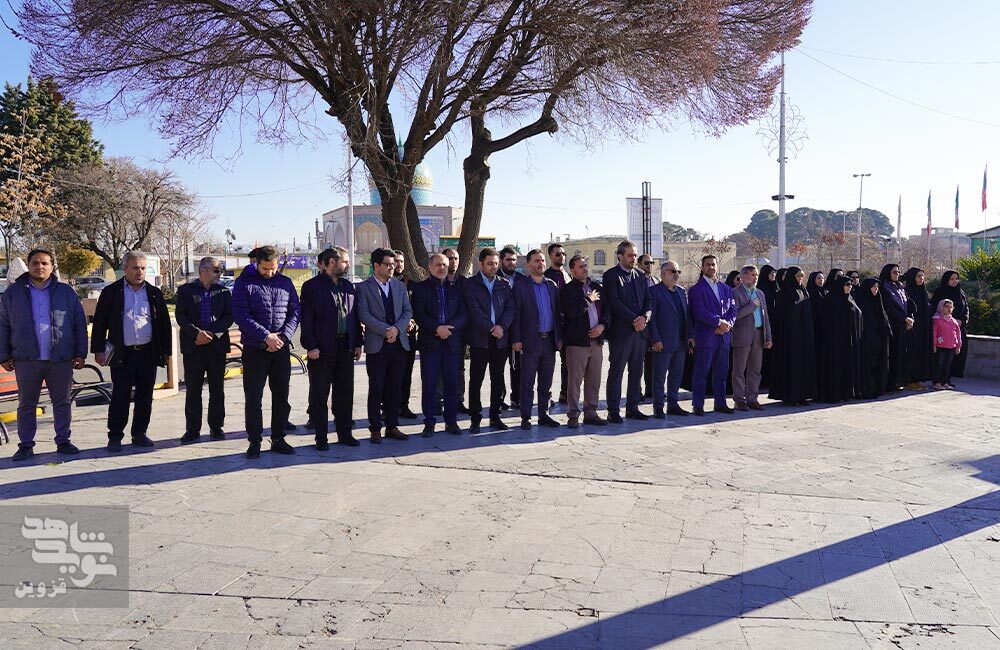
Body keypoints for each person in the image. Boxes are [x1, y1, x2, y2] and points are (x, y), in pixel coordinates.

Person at [0, 249, 87, 461]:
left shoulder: (66, 292)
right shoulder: (13, 293)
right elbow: (3, 325)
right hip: (26, 359)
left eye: (45, 263)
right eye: (36, 263)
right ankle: (25, 445)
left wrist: (80, 353)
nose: (40, 267)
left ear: (52, 267)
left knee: (62, 403)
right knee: (26, 405)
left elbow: (79, 323)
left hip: (60, 359)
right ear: (29, 265)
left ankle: (63, 441)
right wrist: (4, 355)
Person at [92, 251, 172, 452]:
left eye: (143, 268)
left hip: (147, 353)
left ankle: (139, 433)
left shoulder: (153, 293)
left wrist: (166, 352)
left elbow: (164, 324)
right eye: (135, 267)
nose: (139, 272)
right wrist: (98, 350)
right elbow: (100, 323)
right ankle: (115, 436)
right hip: (122, 355)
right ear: (125, 269)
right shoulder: (111, 292)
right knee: (120, 396)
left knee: (145, 396)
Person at [232, 245, 300, 458]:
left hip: (280, 348)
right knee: (254, 397)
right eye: (265, 269)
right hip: (255, 349)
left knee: (281, 396)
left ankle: (278, 438)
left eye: (273, 268)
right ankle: (254, 441)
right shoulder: (244, 283)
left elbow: (295, 312)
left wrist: (283, 336)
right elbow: (241, 315)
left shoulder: (285, 283)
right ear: (257, 263)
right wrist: (265, 336)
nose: (270, 273)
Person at [300, 247, 362, 449]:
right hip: (321, 350)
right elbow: (306, 319)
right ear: (332, 263)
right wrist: (311, 345)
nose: (348, 265)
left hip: (345, 347)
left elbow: (354, 316)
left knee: (345, 393)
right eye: (345, 261)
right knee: (320, 395)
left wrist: (358, 342)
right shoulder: (312, 287)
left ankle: (345, 434)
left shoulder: (347, 286)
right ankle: (321, 438)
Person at [175, 256, 233, 444]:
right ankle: (192, 429)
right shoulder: (186, 291)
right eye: (216, 270)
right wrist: (196, 333)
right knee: (193, 390)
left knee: (217, 389)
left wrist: (212, 333)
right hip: (194, 346)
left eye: (220, 270)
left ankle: (216, 427)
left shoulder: (223, 291)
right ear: (203, 271)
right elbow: (181, 316)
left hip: (216, 346)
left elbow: (229, 316)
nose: (219, 273)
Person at [357, 247, 412, 443]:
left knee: (395, 388)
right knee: (377, 388)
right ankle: (375, 428)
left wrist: (396, 329)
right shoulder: (364, 288)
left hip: (398, 344)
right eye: (387, 264)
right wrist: (385, 330)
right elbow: (364, 314)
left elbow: (407, 312)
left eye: (393, 264)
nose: (392, 267)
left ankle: (392, 426)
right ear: (376, 265)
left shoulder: (399, 287)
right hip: (377, 345)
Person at [412, 253, 468, 437]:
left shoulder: (457, 288)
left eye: (445, 264)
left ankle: (451, 422)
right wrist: (437, 328)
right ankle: (429, 422)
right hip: (430, 344)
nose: (442, 267)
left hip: (452, 343)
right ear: (430, 267)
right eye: (438, 265)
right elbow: (419, 314)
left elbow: (464, 313)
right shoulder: (420, 289)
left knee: (452, 384)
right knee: (429, 384)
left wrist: (450, 328)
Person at [464, 247, 515, 433]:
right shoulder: (471, 285)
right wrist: (491, 328)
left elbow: (510, 309)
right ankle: (475, 418)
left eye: (496, 263)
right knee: (476, 380)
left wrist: (502, 326)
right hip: (480, 340)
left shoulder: (504, 284)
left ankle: (495, 416)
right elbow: (474, 310)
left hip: (500, 340)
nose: (494, 267)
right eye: (490, 264)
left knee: (498, 379)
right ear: (481, 264)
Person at [512, 249, 562, 430]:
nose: (540, 263)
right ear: (528, 265)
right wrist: (516, 339)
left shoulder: (552, 286)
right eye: (536, 261)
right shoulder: (520, 286)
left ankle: (544, 415)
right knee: (527, 382)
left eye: (542, 260)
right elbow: (516, 315)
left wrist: (559, 337)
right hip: (529, 341)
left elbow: (557, 313)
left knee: (546, 381)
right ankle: (526, 417)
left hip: (549, 341)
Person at [559, 255, 609, 428]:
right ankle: (573, 414)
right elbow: (571, 312)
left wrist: (602, 326)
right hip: (577, 342)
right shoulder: (567, 290)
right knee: (574, 381)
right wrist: (588, 300)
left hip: (597, 342)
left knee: (594, 380)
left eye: (586, 265)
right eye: (581, 266)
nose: (585, 269)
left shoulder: (597, 287)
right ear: (572, 270)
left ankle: (591, 413)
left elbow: (607, 311)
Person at [687, 255, 738, 415]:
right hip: (706, 336)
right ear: (702, 267)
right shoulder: (696, 289)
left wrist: (727, 324)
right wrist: (718, 322)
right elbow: (699, 311)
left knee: (722, 372)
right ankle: (698, 405)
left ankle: (720, 403)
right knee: (701, 372)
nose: (711, 267)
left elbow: (733, 310)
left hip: (723, 336)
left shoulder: (726, 289)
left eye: (713, 264)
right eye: (708, 265)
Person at [648, 260, 692, 418]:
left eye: (678, 272)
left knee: (676, 375)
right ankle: (658, 407)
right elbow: (651, 319)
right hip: (663, 342)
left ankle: (673, 405)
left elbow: (687, 315)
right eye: (673, 271)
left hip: (680, 341)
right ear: (663, 273)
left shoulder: (681, 291)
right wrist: (655, 339)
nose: (676, 275)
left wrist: (690, 336)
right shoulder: (654, 292)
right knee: (659, 376)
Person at [767, 266, 818, 405]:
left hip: (804, 335)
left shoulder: (803, 291)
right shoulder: (784, 294)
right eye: (798, 276)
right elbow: (781, 317)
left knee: (803, 364)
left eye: (802, 276)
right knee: (791, 365)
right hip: (789, 337)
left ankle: (802, 395)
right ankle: (790, 396)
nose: (800, 278)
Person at [730, 265, 772, 411]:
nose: (755, 278)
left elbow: (765, 317)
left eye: (757, 275)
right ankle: (739, 400)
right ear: (743, 277)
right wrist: (751, 306)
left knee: (755, 369)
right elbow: (734, 315)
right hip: (742, 335)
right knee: (739, 369)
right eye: (752, 274)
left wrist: (768, 337)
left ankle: (752, 398)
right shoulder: (735, 293)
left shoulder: (760, 293)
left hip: (759, 334)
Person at [816, 276, 863, 403]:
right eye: (847, 284)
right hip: (835, 342)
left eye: (851, 284)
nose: (850, 287)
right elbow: (825, 321)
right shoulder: (831, 300)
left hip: (849, 341)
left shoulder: (850, 299)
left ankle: (848, 392)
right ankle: (835, 393)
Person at [441, 247, 468, 413]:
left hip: (458, 333)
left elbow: (467, 309)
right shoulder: (436, 282)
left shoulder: (464, 283)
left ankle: (458, 400)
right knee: (438, 369)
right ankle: (438, 401)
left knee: (459, 369)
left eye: (456, 258)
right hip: (437, 333)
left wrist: (453, 326)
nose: (453, 262)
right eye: (450, 258)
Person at [878, 264, 914, 392]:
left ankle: (899, 380)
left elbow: (908, 304)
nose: (897, 274)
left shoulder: (900, 287)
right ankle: (891, 383)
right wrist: (904, 318)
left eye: (898, 272)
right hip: (893, 325)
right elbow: (889, 308)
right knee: (893, 354)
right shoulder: (884, 287)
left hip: (903, 326)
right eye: (894, 272)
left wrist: (909, 318)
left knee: (902, 354)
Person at [544, 243, 572, 404]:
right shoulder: (546, 276)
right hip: (551, 325)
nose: (562, 257)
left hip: (568, 325)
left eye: (563, 254)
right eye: (558, 254)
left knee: (567, 362)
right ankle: (545, 395)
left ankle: (565, 393)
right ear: (550, 256)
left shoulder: (567, 275)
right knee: (547, 363)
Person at [394, 249, 419, 419]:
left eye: (401, 261)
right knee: (389, 375)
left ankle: (404, 405)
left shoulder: (412, 285)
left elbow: (418, 309)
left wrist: (413, 322)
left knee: (406, 373)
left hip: (408, 336)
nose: (399, 264)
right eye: (396, 261)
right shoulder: (384, 284)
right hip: (389, 336)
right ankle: (388, 407)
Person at [931, 270, 970, 380]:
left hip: (958, 327)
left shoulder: (961, 293)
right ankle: (941, 379)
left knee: (959, 353)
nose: (954, 281)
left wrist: (962, 321)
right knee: (943, 357)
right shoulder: (940, 292)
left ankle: (952, 377)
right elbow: (935, 309)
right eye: (952, 279)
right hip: (943, 328)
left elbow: (966, 309)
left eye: (956, 279)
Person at [855, 278, 891, 399]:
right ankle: (867, 389)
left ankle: (877, 388)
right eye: (873, 287)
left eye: (877, 287)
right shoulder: (862, 300)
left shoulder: (877, 300)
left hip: (878, 338)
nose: (876, 289)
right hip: (866, 338)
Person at [500, 246, 525, 410]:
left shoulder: (522, 279)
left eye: (514, 260)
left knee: (517, 367)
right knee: (498, 368)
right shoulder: (495, 278)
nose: (511, 263)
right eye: (508, 260)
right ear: (502, 260)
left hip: (518, 330)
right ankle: (499, 398)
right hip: (500, 330)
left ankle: (517, 397)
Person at [901, 267, 932, 390]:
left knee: (920, 354)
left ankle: (917, 379)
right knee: (912, 354)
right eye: (918, 276)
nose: (921, 279)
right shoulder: (907, 292)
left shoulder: (923, 292)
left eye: (922, 276)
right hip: (913, 328)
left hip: (923, 328)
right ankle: (909, 380)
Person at [638, 254, 657, 400]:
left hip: (654, 326)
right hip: (639, 325)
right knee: (637, 361)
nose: (649, 265)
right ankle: (636, 391)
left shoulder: (656, 281)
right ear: (639, 264)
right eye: (646, 263)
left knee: (652, 361)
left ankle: (650, 389)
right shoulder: (636, 280)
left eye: (651, 262)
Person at [932, 299, 962, 389]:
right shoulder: (937, 320)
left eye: (951, 307)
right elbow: (934, 333)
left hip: (951, 347)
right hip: (940, 346)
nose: (949, 309)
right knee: (939, 364)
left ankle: (944, 381)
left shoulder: (954, 321)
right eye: (946, 307)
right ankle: (936, 382)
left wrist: (958, 346)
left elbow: (958, 333)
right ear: (941, 307)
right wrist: (934, 345)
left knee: (947, 365)